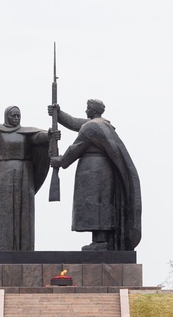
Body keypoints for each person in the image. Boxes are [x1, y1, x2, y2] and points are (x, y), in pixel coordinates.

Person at [49, 99, 141, 251]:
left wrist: (60, 161)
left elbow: (76, 148)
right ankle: (100, 241)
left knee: (96, 205)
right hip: (102, 170)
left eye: (87, 108)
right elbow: (75, 123)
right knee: (100, 204)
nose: (86, 111)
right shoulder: (102, 125)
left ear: (93, 110)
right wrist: (58, 114)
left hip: (94, 171)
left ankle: (100, 242)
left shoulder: (91, 128)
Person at [0, 82, 51, 251]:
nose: (16, 119)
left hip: (26, 173)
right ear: (7, 116)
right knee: (6, 211)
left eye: (18, 116)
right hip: (6, 173)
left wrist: (49, 135)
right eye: (13, 116)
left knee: (26, 211)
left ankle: (26, 248)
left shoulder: (26, 132)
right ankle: (5, 248)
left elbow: (38, 137)